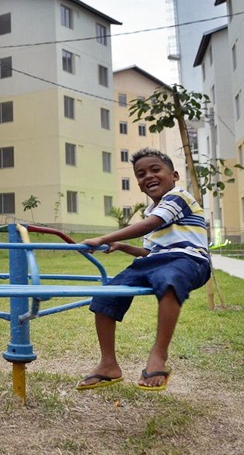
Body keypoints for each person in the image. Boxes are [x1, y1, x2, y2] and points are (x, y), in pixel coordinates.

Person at [76, 148, 210, 392]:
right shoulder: (152, 211)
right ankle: (108, 365)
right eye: (141, 174)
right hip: (157, 262)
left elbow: (152, 224)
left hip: (190, 260)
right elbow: (151, 253)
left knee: (170, 280)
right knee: (107, 294)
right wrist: (124, 246)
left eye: (155, 170)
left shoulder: (178, 197)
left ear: (175, 175)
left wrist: (102, 238)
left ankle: (158, 356)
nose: (148, 176)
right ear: (138, 183)